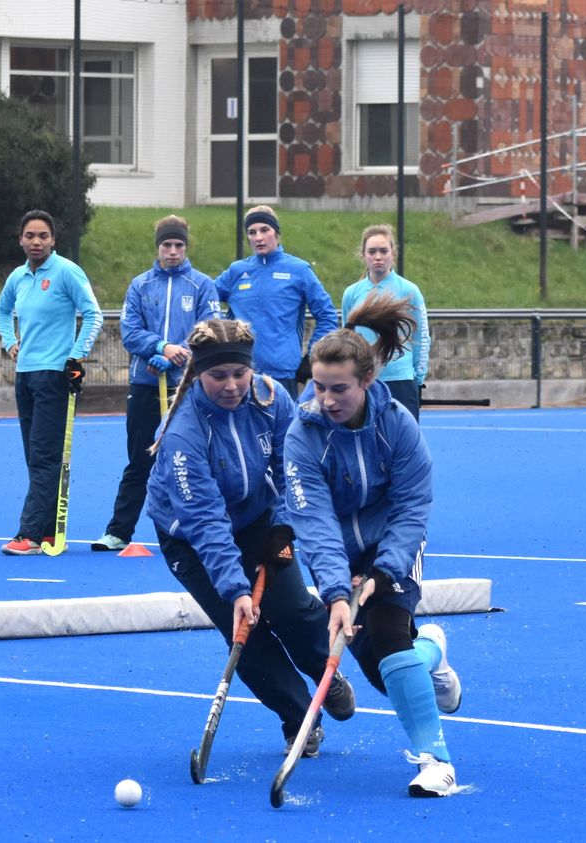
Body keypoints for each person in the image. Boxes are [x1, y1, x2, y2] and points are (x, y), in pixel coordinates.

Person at [146, 319, 356, 757]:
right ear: (198, 374)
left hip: (259, 518)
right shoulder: (182, 433)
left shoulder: (269, 397)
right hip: (191, 540)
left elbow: (291, 467)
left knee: (293, 608)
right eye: (217, 376)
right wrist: (236, 590)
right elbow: (204, 521)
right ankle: (300, 719)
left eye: (238, 374)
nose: (231, 386)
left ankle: (325, 670)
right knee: (246, 635)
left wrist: (280, 527)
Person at [283, 294, 463, 798]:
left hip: (394, 544)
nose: (327, 399)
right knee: (391, 677)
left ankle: (438, 763)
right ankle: (433, 653)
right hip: (338, 553)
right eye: (318, 387)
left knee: (386, 637)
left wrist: (385, 570)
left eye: (339, 388)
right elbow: (313, 520)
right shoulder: (302, 434)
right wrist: (337, 593)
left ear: (366, 382)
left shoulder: (396, 423)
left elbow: (413, 504)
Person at [91, 215, 222, 552]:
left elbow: (209, 332)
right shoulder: (140, 285)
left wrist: (179, 354)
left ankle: (201, 528)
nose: (173, 251)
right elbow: (129, 331)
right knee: (139, 459)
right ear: (158, 247)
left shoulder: (202, 285)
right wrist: (159, 347)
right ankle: (119, 531)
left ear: (186, 247)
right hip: (146, 383)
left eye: (179, 245)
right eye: (167, 245)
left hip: (190, 387)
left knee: (194, 459)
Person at [0, 209, 103, 556]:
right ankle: (46, 532)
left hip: (55, 376)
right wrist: (9, 341)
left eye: (43, 236)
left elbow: (94, 314)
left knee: (43, 455)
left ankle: (28, 534)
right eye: (30, 236)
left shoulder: (67, 272)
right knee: (35, 455)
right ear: (21, 240)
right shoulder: (18, 277)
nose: (36, 241)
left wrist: (76, 356)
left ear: (53, 239)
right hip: (25, 375)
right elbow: (1, 310)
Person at [214, 205, 338, 396]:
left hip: (283, 376)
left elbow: (328, 315)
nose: (258, 237)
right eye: (252, 232)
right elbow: (204, 301)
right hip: (239, 374)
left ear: (277, 233)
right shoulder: (236, 271)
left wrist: (312, 357)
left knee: (283, 426)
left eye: (265, 230)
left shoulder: (299, 270)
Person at [340, 224, 431, 420]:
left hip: (400, 379)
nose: (378, 257)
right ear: (363, 255)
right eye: (372, 252)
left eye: (383, 251)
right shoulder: (351, 294)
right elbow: (346, 338)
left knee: (403, 442)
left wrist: (418, 378)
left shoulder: (410, 291)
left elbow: (421, 336)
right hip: (364, 380)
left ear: (393, 253)